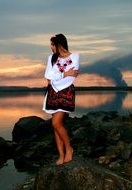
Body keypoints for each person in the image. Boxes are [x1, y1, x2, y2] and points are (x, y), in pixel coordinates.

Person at [42, 34, 80, 165]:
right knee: (56, 126)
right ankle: (61, 155)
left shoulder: (75, 57)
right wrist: (64, 74)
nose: (51, 47)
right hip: (52, 92)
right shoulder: (51, 58)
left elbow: (72, 77)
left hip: (66, 92)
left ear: (58, 44)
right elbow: (48, 78)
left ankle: (69, 149)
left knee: (56, 123)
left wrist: (58, 77)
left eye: (52, 45)